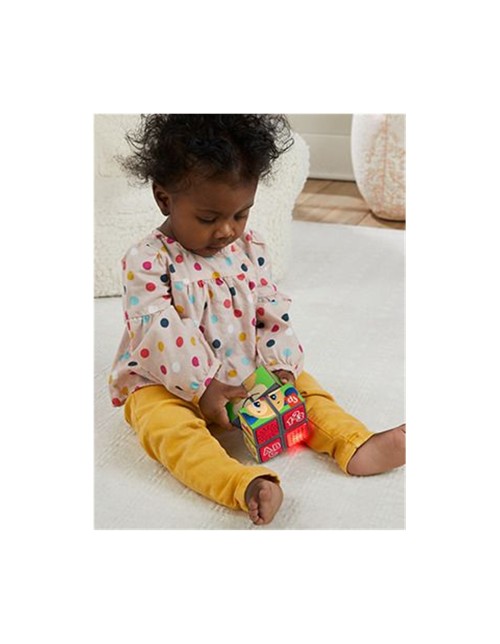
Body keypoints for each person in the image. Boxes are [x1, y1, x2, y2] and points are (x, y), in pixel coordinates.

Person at [108, 114, 405, 526]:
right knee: (165, 429)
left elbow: (269, 310)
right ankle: (241, 483)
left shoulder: (249, 249)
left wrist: (280, 366)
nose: (227, 231)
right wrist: (203, 386)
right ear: (164, 199)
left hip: (247, 367)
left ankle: (354, 443)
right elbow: (157, 330)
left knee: (305, 391)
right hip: (165, 381)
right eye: (209, 218)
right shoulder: (147, 260)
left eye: (241, 214)